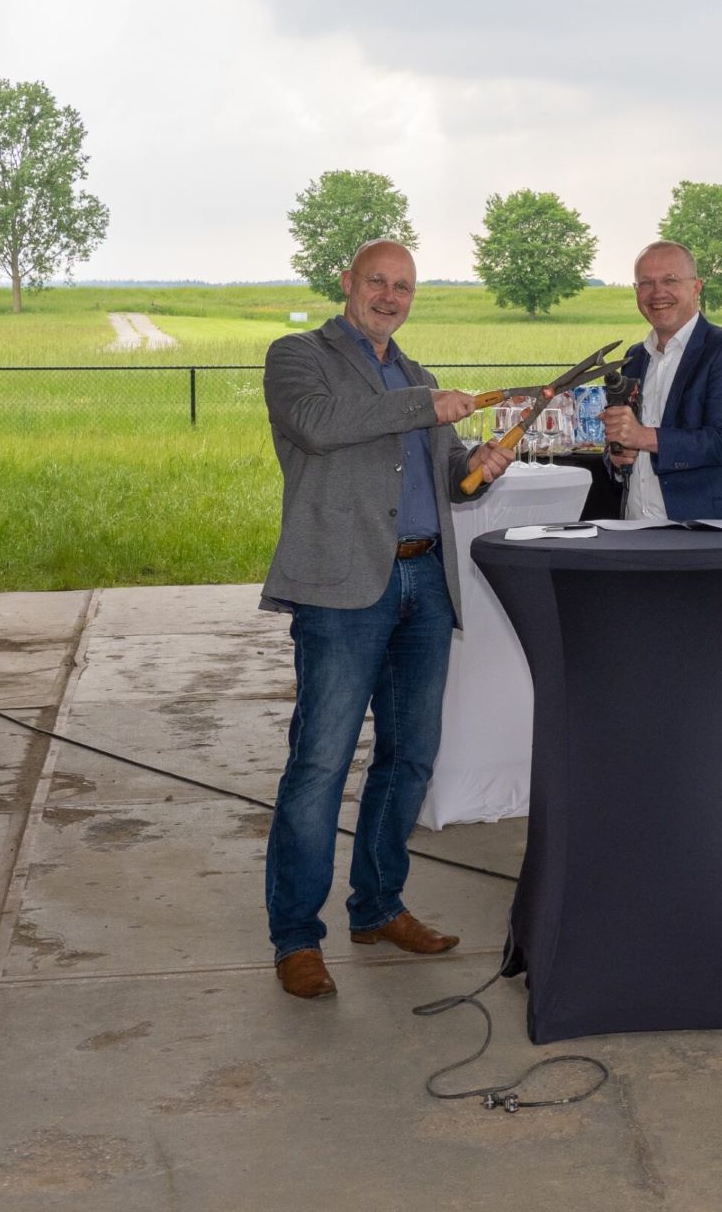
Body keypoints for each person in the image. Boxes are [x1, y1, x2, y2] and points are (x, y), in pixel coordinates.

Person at [260, 238, 514, 998]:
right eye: (378, 281)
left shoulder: (417, 374)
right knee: (319, 766)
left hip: (424, 583)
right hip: (342, 591)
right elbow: (318, 425)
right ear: (348, 282)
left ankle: (376, 906)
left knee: (410, 759)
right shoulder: (298, 357)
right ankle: (296, 939)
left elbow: (446, 479)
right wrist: (421, 405)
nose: (390, 296)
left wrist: (478, 472)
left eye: (403, 287)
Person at [601, 240, 722, 520]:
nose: (657, 293)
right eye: (646, 283)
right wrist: (616, 459)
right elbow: (621, 441)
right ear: (636, 291)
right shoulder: (634, 358)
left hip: (707, 536)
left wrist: (643, 436)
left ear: (696, 287)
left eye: (670, 280)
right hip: (634, 532)